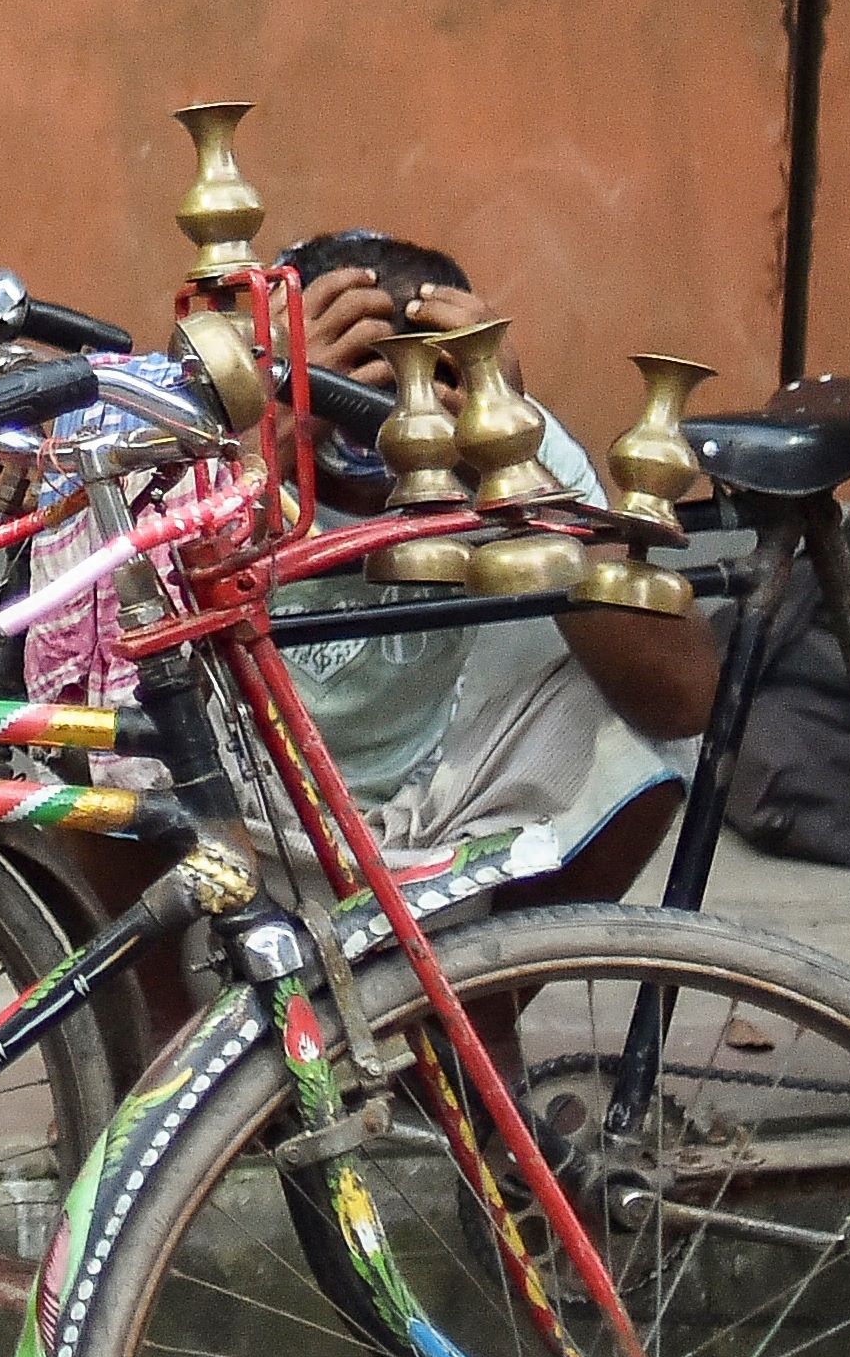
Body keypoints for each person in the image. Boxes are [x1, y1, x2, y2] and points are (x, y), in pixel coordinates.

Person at [269, 229, 720, 907]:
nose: (379, 422)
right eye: (352, 381)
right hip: (244, 808)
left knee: (633, 722)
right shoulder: (225, 429)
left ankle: (501, 971)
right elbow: (117, 636)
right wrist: (267, 439)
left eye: (412, 384)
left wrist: (504, 460)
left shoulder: (505, 436)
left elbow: (681, 698)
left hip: (441, 809)